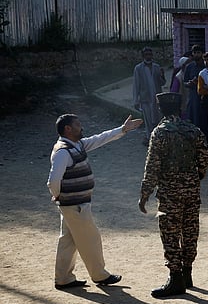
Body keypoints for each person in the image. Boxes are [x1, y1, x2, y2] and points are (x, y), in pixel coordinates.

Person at [48, 113, 143, 289]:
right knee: (91, 239)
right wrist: (58, 195)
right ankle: (100, 275)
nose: (81, 127)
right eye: (77, 125)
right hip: (75, 205)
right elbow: (53, 180)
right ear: (68, 129)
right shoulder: (63, 151)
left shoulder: (75, 145)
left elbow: (100, 139)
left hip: (72, 204)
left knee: (68, 240)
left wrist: (122, 130)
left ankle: (63, 278)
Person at [139, 92, 208, 298]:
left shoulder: (159, 133)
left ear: (161, 109)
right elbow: (204, 160)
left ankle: (175, 277)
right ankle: (187, 273)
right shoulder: (194, 130)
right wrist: (193, 179)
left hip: (169, 192)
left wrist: (145, 193)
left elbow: (152, 166)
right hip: (191, 189)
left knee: (170, 233)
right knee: (190, 229)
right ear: (179, 108)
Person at [132, 46, 165, 146]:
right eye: (146, 54)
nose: (148, 56)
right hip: (145, 98)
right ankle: (149, 139)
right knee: (148, 120)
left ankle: (157, 138)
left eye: (150, 54)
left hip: (157, 98)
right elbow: (136, 85)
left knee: (157, 119)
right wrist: (136, 101)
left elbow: (162, 83)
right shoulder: (138, 68)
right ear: (143, 56)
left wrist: (162, 75)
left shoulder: (156, 67)